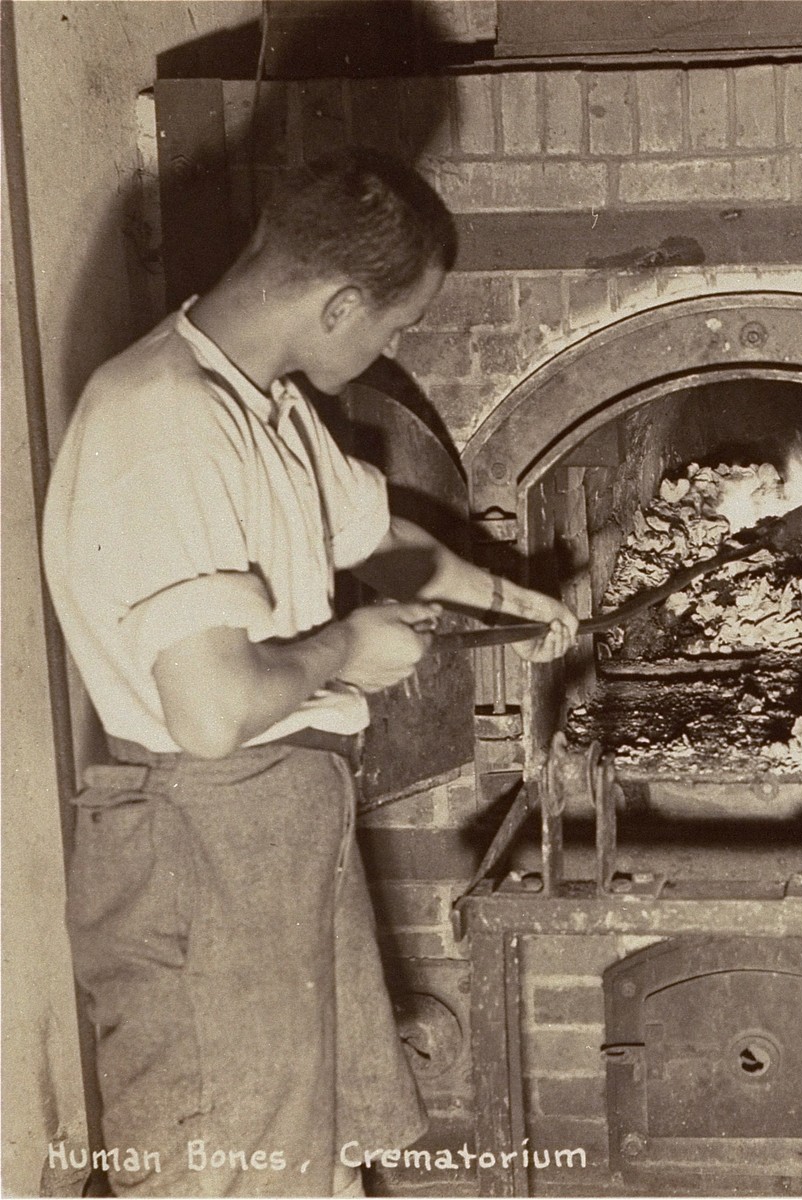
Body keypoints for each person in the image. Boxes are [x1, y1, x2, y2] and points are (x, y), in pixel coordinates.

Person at [42, 147, 577, 1197]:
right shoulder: (165, 425)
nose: (395, 344)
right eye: (397, 323)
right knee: (226, 1168)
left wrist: (516, 602)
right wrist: (349, 651)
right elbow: (209, 708)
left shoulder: (259, 401)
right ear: (340, 305)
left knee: (314, 1154)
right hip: (200, 845)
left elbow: (376, 538)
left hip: (273, 836)